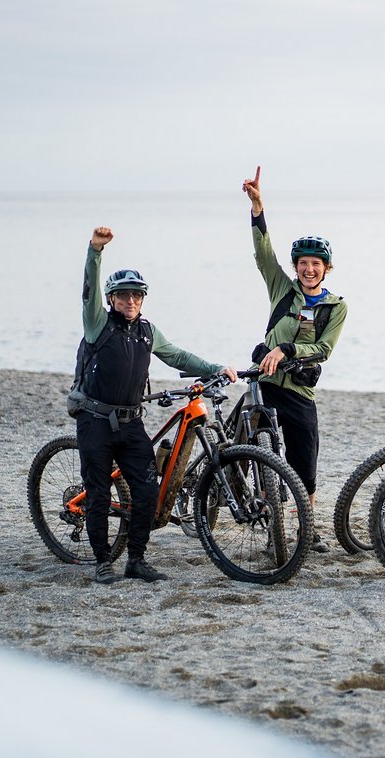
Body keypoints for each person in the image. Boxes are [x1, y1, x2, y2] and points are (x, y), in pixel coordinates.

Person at [76, 226, 236, 584]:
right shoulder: (97, 324)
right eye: (123, 296)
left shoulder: (148, 331)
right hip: (95, 421)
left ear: (143, 299)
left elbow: (177, 355)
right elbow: (87, 292)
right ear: (111, 298)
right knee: (99, 494)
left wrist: (214, 367)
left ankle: (136, 560)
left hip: (132, 423)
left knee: (148, 490)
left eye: (136, 296)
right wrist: (95, 251)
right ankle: (103, 562)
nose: (130, 301)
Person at [241, 167, 348, 553]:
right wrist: (257, 207)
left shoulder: (336, 306)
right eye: (302, 262)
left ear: (326, 268)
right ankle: (272, 528)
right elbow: (262, 253)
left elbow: (324, 350)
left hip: (301, 390)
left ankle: (307, 527)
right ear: (296, 266)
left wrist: (287, 350)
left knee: (305, 464)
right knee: (265, 461)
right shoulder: (282, 289)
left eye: (316, 263)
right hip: (265, 386)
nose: (308, 268)